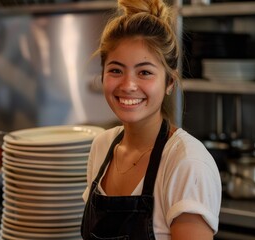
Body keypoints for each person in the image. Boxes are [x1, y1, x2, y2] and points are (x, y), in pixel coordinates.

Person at [80, 0, 222, 239]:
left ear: (169, 83)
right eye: (116, 70)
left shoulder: (187, 163)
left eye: (144, 72)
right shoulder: (101, 147)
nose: (128, 85)